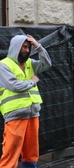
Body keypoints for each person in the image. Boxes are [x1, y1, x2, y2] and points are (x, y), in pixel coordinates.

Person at [0, 34, 52, 168]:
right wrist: (33, 81)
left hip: (33, 113)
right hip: (15, 114)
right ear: (15, 47)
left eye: (28, 47)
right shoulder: (4, 65)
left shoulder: (29, 63)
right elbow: (15, 86)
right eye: (24, 47)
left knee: (31, 152)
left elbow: (47, 63)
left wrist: (38, 46)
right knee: (11, 152)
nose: (27, 50)